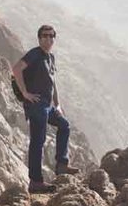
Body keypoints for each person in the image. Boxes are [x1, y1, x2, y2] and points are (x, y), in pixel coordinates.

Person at [12, 24, 79, 193]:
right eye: (44, 36)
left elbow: (52, 82)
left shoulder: (51, 57)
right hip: (36, 106)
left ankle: (62, 164)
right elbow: (16, 69)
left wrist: (57, 104)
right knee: (38, 142)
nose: (48, 39)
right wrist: (25, 93)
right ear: (39, 38)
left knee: (64, 125)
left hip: (48, 106)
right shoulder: (35, 54)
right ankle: (35, 182)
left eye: (51, 36)